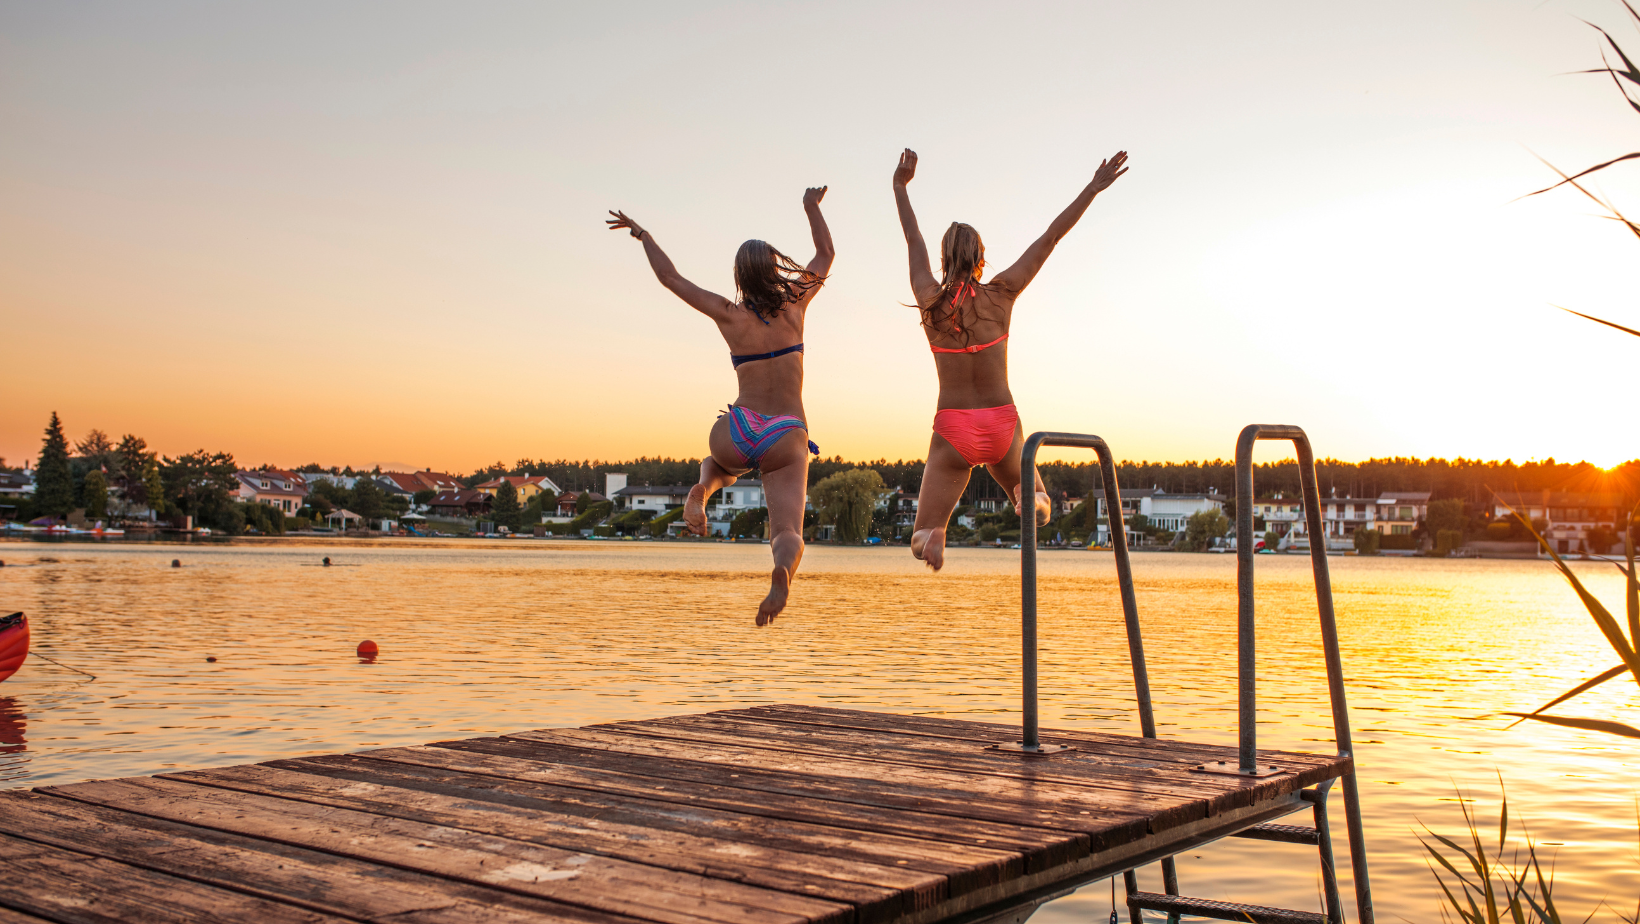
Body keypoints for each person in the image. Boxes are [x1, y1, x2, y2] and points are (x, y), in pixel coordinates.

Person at [892, 147, 1128, 570]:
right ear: (981, 259)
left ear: (944, 260)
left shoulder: (930, 301)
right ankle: (1031, 503)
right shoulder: (1002, 294)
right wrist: (1092, 188)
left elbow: (913, 240)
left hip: (953, 428)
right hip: (1001, 422)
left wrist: (900, 187)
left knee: (919, 537)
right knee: (1040, 500)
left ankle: (936, 536)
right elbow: (1050, 238)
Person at [607, 186, 834, 624]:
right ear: (774, 269)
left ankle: (703, 489)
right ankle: (782, 570)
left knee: (719, 462)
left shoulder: (729, 314)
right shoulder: (796, 302)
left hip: (740, 426)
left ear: (739, 277)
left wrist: (643, 234)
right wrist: (811, 206)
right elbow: (826, 252)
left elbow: (670, 278)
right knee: (788, 530)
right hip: (786, 432)